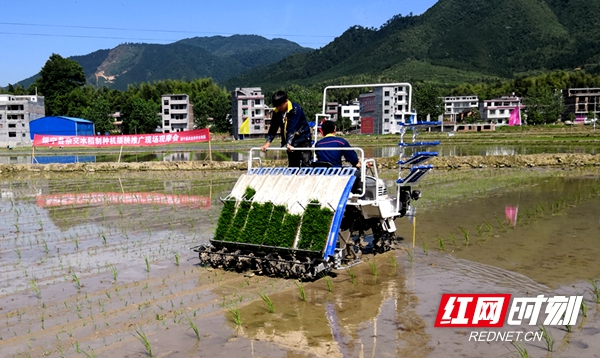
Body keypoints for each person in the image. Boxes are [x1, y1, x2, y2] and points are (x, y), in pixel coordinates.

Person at [260, 91, 311, 167]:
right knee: (293, 165)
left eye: (280, 105)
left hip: (302, 138)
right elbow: (273, 127)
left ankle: (308, 177)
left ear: (286, 101)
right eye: (276, 106)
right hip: (290, 141)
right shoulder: (277, 112)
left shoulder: (295, 109)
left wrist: (288, 143)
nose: (278, 108)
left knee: (305, 162)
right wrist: (268, 142)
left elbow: (292, 127)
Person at [315, 120, 362, 192]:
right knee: (358, 172)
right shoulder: (340, 142)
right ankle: (353, 193)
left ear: (322, 131)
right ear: (334, 129)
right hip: (336, 172)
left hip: (322, 173)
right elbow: (352, 157)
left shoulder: (318, 144)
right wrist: (356, 163)